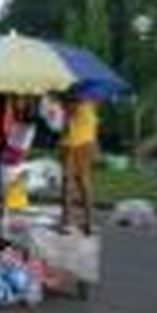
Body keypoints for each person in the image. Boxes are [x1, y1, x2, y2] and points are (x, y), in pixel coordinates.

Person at [60, 96, 99, 235]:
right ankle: (71, 221)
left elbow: (71, 111)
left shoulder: (77, 94)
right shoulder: (91, 94)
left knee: (74, 181)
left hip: (77, 142)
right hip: (76, 140)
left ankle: (82, 222)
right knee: (74, 181)